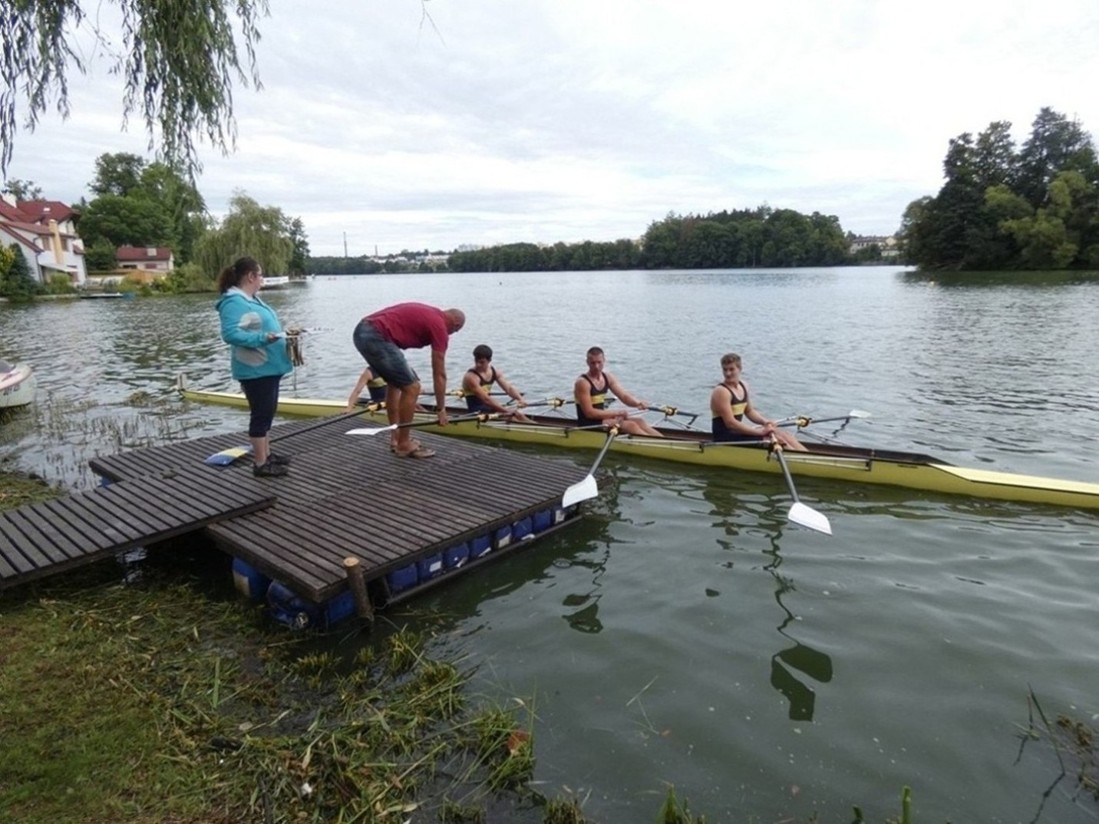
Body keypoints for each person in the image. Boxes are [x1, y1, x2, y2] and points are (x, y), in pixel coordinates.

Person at [352, 302, 465, 458]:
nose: (451, 334)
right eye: (455, 331)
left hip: (363, 330)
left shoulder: (432, 314)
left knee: (395, 384)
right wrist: (441, 409)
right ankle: (404, 444)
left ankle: (396, 438)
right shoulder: (440, 327)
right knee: (412, 388)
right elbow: (439, 373)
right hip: (376, 335)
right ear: (456, 324)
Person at [216, 256, 294, 477]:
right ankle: (260, 464)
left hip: (269, 366)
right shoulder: (234, 302)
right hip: (255, 368)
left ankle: (267, 454)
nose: (262, 279)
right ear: (251, 276)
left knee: (268, 412)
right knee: (261, 414)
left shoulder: (252, 299)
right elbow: (231, 334)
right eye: (260, 275)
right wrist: (263, 338)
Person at [710, 352, 807, 450]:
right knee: (779, 440)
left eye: (731, 369)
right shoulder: (721, 391)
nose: (728, 373)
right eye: (725, 369)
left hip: (738, 433)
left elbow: (749, 411)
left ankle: (808, 455)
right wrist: (760, 432)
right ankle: (799, 458)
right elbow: (730, 424)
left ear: (740, 369)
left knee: (784, 434)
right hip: (725, 438)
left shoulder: (744, 385)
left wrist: (765, 422)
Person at [574, 346, 663, 437]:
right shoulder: (583, 383)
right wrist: (617, 413)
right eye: (593, 363)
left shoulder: (607, 377)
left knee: (640, 421)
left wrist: (638, 403)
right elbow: (589, 413)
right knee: (630, 425)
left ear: (604, 360)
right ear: (587, 362)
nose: (596, 366)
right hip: (588, 423)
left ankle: (664, 441)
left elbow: (624, 396)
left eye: (599, 362)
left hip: (601, 418)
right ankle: (655, 444)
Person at [461, 344, 532, 422]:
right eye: (476, 361)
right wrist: (506, 411)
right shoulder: (471, 377)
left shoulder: (494, 372)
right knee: (512, 418)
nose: (478, 364)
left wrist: (520, 399)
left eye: (482, 362)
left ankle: (537, 426)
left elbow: (509, 389)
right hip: (476, 412)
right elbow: (486, 399)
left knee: (519, 414)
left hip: (489, 408)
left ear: (489, 360)